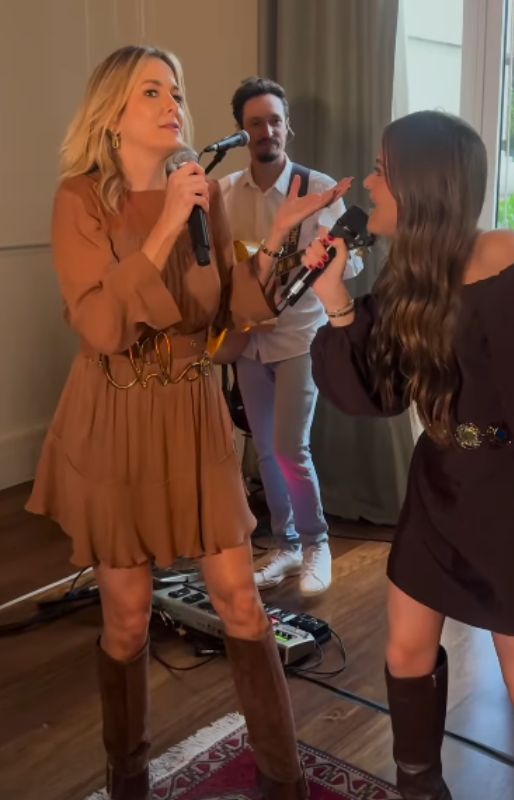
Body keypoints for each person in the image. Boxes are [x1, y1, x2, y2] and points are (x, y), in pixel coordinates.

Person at [25, 46, 345, 800]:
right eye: (151, 91)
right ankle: (128, 779)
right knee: (128, 617)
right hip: (115, 414)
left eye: (175, 90)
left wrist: (278, 241)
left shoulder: (202, 194)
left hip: (193, 412)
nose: (173, 103)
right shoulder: (80, 200)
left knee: (241, 601)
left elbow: (230, 317)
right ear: (111, 112)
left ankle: (285, 782)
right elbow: (101, 325)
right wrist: (167, 222)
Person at [302, 110, 514, 800]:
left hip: (506, 495)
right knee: (404, 650)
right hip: (436, 483)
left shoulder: (504, 255)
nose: (369, 182)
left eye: (382, 169)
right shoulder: (408, 276)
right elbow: (374, 393)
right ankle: (420, 790)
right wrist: (335, 299)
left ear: (421, 181)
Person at [218, 77, 362, 597]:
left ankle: (317, 543)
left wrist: (328, 257)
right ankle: (285, 545)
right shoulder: (224, 192)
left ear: (288, 126)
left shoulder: (316, 188)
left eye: (275, 120)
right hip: (247, 340)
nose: (267, 130)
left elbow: (353, 261)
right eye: (255, 123)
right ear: (242, 131)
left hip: (301, 337)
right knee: (264, 448)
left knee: (288, 447)